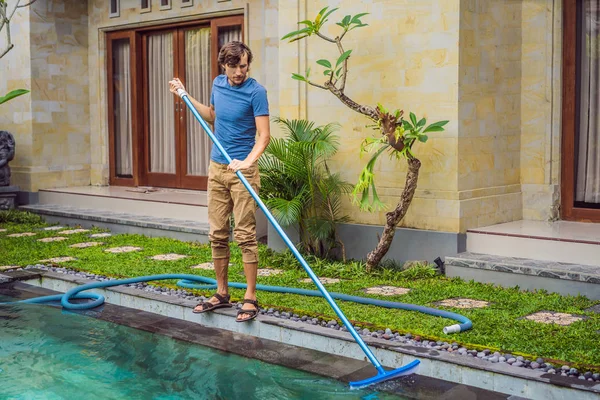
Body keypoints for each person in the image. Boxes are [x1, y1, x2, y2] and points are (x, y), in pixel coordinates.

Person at [169, 41, 270, 323]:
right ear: (223, 65)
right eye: (234, 66)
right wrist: (185, 96)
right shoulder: (218, 84)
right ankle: (222, 292)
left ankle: (250, 296)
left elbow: (263, 136)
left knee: (246, 235)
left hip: (243, 172)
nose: (240, 71)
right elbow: (212, 116)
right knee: (217, 234)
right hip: (217, 168)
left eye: (244, 65)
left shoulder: (256, 92)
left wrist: (247, 162)